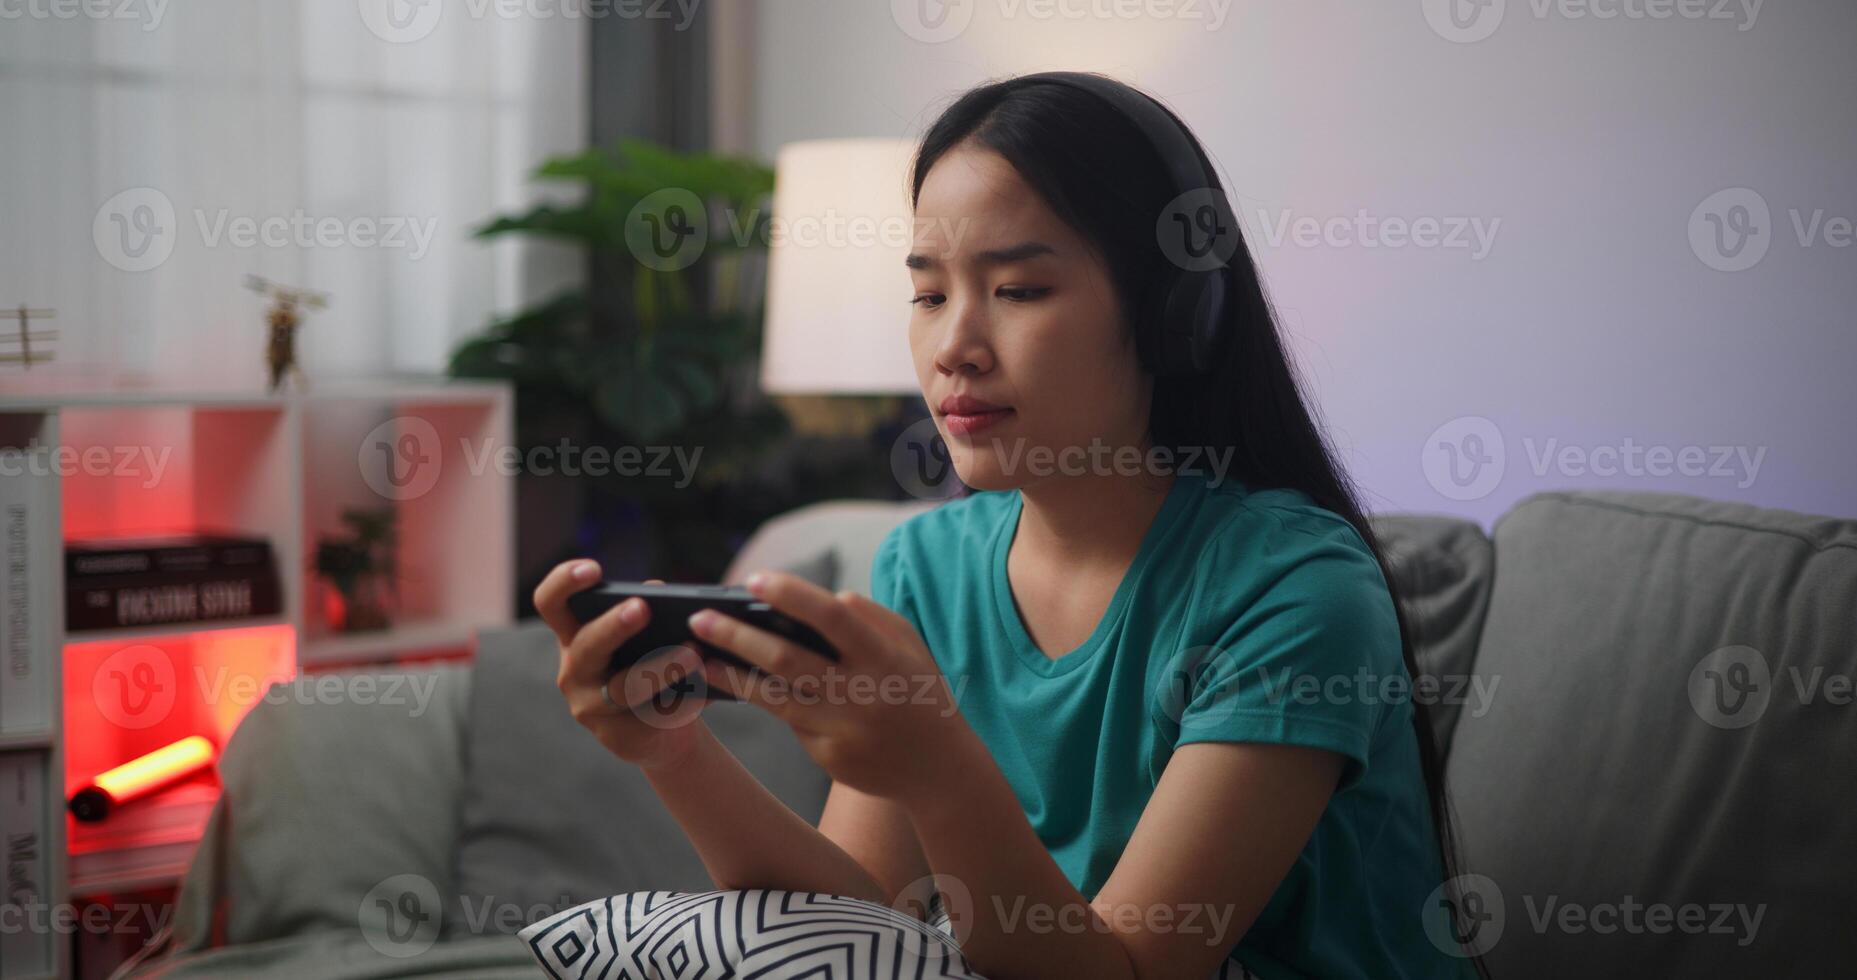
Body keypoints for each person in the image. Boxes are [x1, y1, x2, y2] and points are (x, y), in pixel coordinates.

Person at [535, 72, 1483, 979]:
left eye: (1019, 291)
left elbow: (1133, 971)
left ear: (1171, 314)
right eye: (928, 293)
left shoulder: (1294, 587)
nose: (953, 347)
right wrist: (675, 753)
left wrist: (939, 765)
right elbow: (861, 924)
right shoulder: (924, 565)